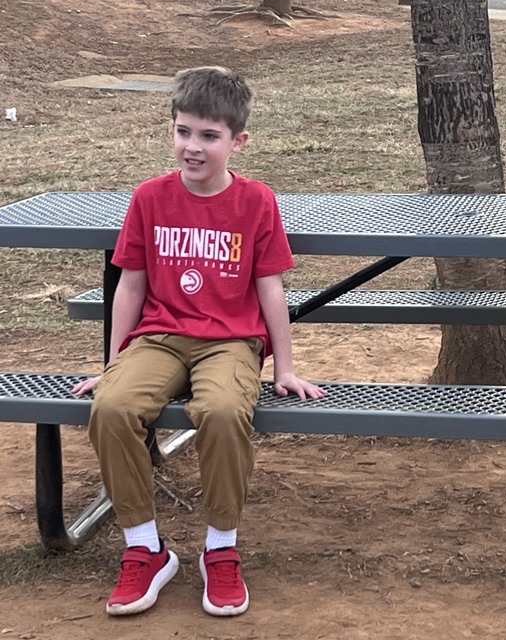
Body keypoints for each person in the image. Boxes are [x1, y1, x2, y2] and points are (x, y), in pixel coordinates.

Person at [71, 66, 325, 617]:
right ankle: (145, 548)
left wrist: (284, 366)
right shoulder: (150, 198)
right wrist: (115, 365)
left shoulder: (256, 202)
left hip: (230, 343)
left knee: (225, 410)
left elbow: (270, 288)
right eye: (184, 131)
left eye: (209, 136)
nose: (193, 146)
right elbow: (130, 285)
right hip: (158, 338)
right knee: (112, 406)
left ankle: (221, 549)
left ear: (238, 141)